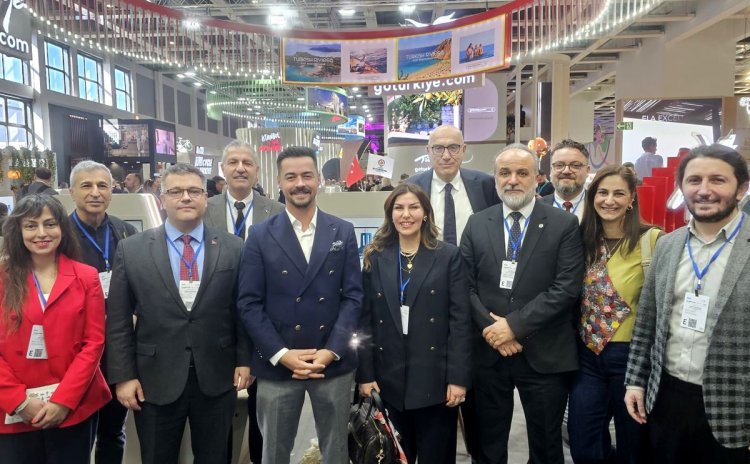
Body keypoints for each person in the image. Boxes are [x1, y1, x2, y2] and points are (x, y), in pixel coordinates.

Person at [106, 164, 251, 463]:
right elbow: (118, 320)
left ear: (205, 198)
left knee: (215, 458)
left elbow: (242, 309)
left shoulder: (233, 247)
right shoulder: (131, 249)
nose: (186, 197)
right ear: (162, 199)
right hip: (153, 378)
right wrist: (123, 376)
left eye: (194, 191)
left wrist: (245, 360)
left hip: (217, 375)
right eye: (176, 191)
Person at [624, 144, 750, 463]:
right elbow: (647, 321)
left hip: (735, 407)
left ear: (741, 189)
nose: (704, 190)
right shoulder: (668, 244)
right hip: (666, 397)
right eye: (694, 180)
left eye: (718, 180)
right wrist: (635, 381)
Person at [237, 146, 363, 464]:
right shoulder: (259, 234)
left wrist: (331, 351)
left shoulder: (343, 231)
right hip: (278, 363)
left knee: (337, 451)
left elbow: (353, 297)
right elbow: (249, 303)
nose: (300, 184)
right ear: (279, 182)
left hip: (331, 362)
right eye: (291, 177)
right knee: (274, 451)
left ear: (318, 179)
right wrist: (281, 354)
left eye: (307, 175)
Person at [460, 143, 584, 464]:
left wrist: (513, 327)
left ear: (537, 178)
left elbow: (565, 288)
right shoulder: (477, 223)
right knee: (487, 446)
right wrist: (493, 329)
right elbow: (464, 285)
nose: (512, 180)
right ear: (495, 178)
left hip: (544, 352)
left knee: (546, 448)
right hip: (489, 353)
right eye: (504, 173)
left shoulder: (564, 224)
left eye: (521, 173)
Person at [357, 183, 472, 464]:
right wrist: (365, 375)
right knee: (394, 457)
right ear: (390, 214)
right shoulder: (376, 257)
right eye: (399, 208)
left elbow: (460, 321)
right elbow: (365, 321)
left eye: (413, 207)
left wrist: (458, 379)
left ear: (425, 213)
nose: (406, 214)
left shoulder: (448, 256)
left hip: (436, 380)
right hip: (388, 380)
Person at [0, 194, 111, 463]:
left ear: (62, 228)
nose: (42, 233)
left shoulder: (86, 276)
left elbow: (94, 343)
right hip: (13, 407)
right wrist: (18, 401)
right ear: (18, 231)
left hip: (73, 405)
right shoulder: (3, 277)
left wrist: (64, 400)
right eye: (31, 226)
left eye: (50, 224)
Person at [567, 166, 660, 464]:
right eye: (602, 193)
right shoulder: (581, 240)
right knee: (584, 444)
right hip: (587, 356)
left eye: (619, 193)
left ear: (631, 199)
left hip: (631, 357)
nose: (609, 200)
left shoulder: (653, 240)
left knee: (634, 445)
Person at [203, 141, 283, 463]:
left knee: (262, 412)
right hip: (217, 325)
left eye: (247, 163)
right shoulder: (203, 208)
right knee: (218, 415)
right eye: (233, 162)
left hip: (264, 323)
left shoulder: (277, 211)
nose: (240, 168)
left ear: (257, 171)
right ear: (222, 169)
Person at [68, 161, 139, 464]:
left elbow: (141, 284)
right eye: (86, 186)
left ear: (112, 191)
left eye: (102, 186)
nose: (95, 193)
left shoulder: (127, 233)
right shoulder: (60, 236)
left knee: (113, 431)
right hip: (75, 349)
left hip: (117, 348)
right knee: (75, 432)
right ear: (72, 192)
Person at [408, 125, 499, 245]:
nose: (446, 156)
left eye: (453, 148)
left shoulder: (486, 185)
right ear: (428, 151)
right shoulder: (411, 187)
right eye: (438, 148)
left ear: (463, 149)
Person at [541, 139, 591, 222]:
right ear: (551, 170)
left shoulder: (599, 206)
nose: (566, 171)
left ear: (587, 170)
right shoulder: (536, 208)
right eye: (559, 165)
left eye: (575, 165)